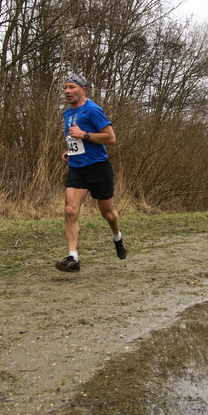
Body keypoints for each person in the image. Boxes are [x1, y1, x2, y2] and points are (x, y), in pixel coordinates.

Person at [55, 73, 127, 272]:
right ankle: (73, 258)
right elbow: (77, 141)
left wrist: (84, 134)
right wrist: (70, 151)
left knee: (108, 214)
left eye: (71, 87)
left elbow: (110, 138)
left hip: (98, 167)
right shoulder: (67, 114)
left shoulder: (93, 110)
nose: (67, 91)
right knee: (70, 210)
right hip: (77, 168)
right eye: (65, 88)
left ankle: (118, 238)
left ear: (83, 90)